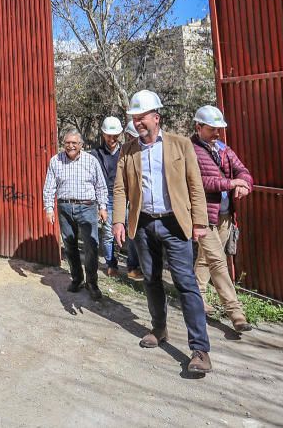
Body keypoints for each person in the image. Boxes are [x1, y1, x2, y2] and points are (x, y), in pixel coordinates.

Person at [113, 90, 213, 374]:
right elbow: (120, 188)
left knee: (185, 284)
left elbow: (195, 185)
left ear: (156, 117)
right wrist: (119, 221)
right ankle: (159, 328)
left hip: (174, 223)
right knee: (152, 280)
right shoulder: (128, 150)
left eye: (141, 117)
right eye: (134, 118)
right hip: (144, 223)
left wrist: (200, 222)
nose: (137, 122)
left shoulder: (180, 145)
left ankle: (200, 350)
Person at [191, 105, 254, 333]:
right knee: (218, 260)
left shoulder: (223, 149)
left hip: (226, 214)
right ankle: (235, 312)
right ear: (198, 127)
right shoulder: (190, 151)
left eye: (219, 129)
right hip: (204, 215)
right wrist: (230, 183)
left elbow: (242, 170)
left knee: (206, 259)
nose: (217, 133)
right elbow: (199, 182)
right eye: (212, 129)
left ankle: (196, 296)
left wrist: (244, 184)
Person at [43, 129, 109, 301]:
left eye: (74, 143)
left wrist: (103, 207)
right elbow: (49, 187)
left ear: (81, 145)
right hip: (64, 207)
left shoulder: (91, 161)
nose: (70, 145)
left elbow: (101, 186)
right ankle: (77, 279)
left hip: (87, 207)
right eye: (67, 142)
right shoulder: (55, 161)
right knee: (70, 245)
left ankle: (92, 283)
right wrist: (49, 209)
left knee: (91, 246)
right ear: (63, 143)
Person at [90, 117, 127, 277]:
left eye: (115, 135)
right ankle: (112, 264)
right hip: (106, 198)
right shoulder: (95, 154)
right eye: (108, 135)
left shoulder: (126, 151)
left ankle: (133, 265)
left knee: (131, 232)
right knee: (108, 233)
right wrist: (100, 205)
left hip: (126, 197)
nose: (112, 139)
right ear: (103, 134)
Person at [121, 118, 144, 281]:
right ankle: (133, 267)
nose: (130, 139)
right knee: (133, 235)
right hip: (132, 202)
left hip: (147, 203)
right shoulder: (126, 152)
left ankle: (142, 267)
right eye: (129, 136)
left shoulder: (147, 151)